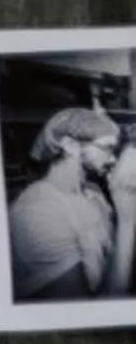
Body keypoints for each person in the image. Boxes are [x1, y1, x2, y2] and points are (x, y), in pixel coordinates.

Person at [8, 105, 136, 302]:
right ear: (70, 145)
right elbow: (86, 316)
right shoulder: (37, 212)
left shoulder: (93, 194)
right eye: (107, 148)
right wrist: (127, 220)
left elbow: (114, 263)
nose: (112, 159)